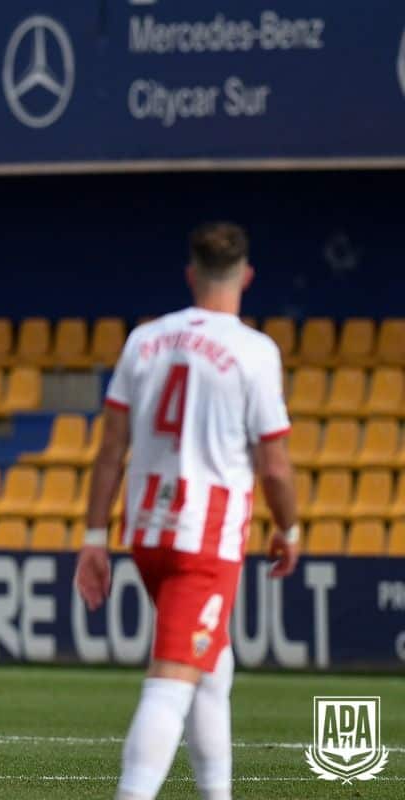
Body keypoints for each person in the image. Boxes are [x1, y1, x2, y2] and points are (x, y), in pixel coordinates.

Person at [74, 222, 300, 800]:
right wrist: (289, 528)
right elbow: (274, 466)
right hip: (205, 540)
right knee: (173, 679)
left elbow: (109, 451)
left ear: (191, 274)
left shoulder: (145, 339)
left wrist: (95, 539)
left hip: (147, 533)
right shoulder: (255, 351)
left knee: (211, 665)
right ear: (246, 277)